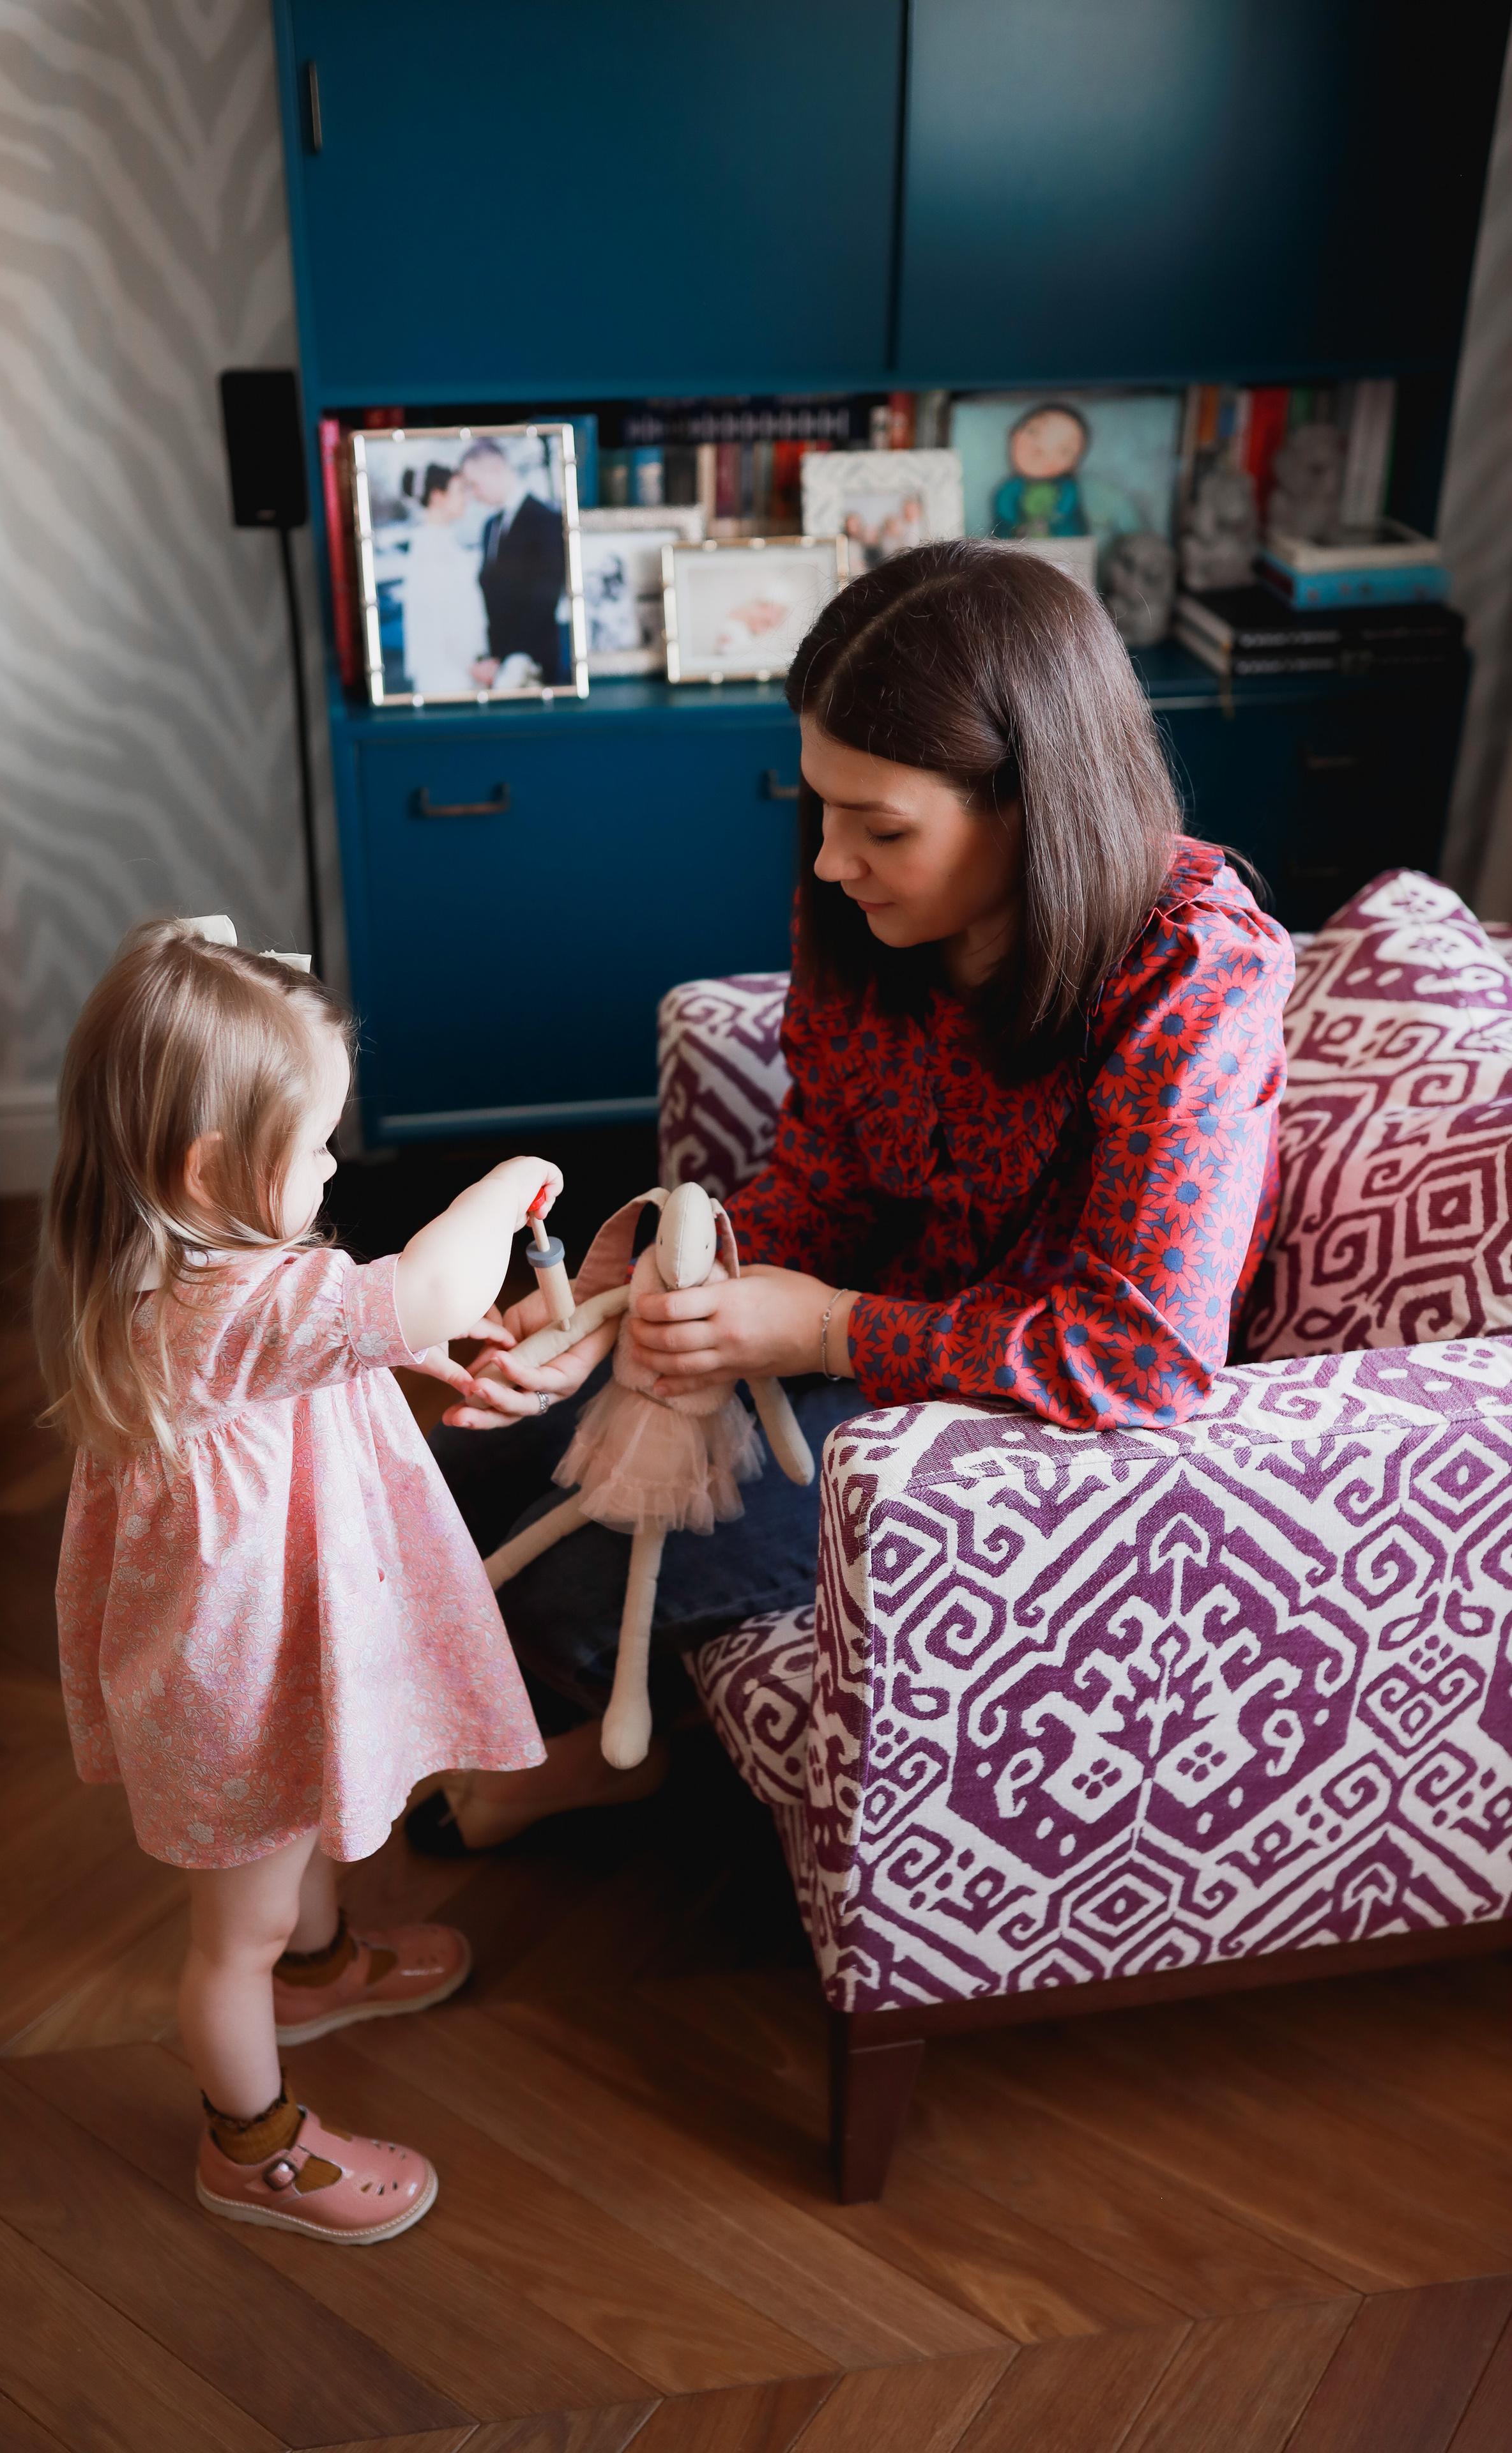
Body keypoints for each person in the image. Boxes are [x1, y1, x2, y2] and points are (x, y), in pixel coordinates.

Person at [415, 540, 1292, 1853]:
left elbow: (1142, 1355)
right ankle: (548, 1696)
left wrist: (824, 1331)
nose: (827, 863)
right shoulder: (860, 920)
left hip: (1043, 1406)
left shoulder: (1190, 981)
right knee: (467, 1459)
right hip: (872, 1329)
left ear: (1028, 806)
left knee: (580, 1575)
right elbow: (825, 1171)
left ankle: (615, 1756)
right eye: (820, 813)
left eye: (877, 828)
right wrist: (634, 1312)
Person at [35, 918, 556, 2242]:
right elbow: (426, 1281)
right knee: (235, 1933)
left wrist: (386, 1356)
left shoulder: (189, 1270)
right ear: (211, 1165)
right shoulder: (239, 1305)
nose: (332, 1165)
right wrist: (500, 1192)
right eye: (317, 1143)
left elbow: (305, 1354)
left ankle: (321, 1971)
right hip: (235, 1671)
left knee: (293, 1823)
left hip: (259, 1651)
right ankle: (250, 2142)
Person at [460, 438, 567, 685]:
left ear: (497, 470)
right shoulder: (489, 527)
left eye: (475, 484)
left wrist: (505, 660)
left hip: (535, 665)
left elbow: (544, 599)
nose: (474, 495)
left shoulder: (547, 520)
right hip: (497, 665)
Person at [399, 462, 489, 696]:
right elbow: (438, 617)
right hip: (448, 676)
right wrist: (473, 666)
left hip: (460, 670)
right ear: (438, 496)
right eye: (460, 491)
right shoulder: (431, 548)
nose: (467, 499)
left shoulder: (441, 543)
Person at [991, 402, 1090, 537]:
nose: (1041, 449)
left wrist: (1055, 519)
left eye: (1063, 450)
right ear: (1013, 433)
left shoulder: (1068, 489)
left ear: (1074, 465)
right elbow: (1005, 511)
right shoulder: (1009, 489)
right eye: (1033, 432)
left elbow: (1068, 509)